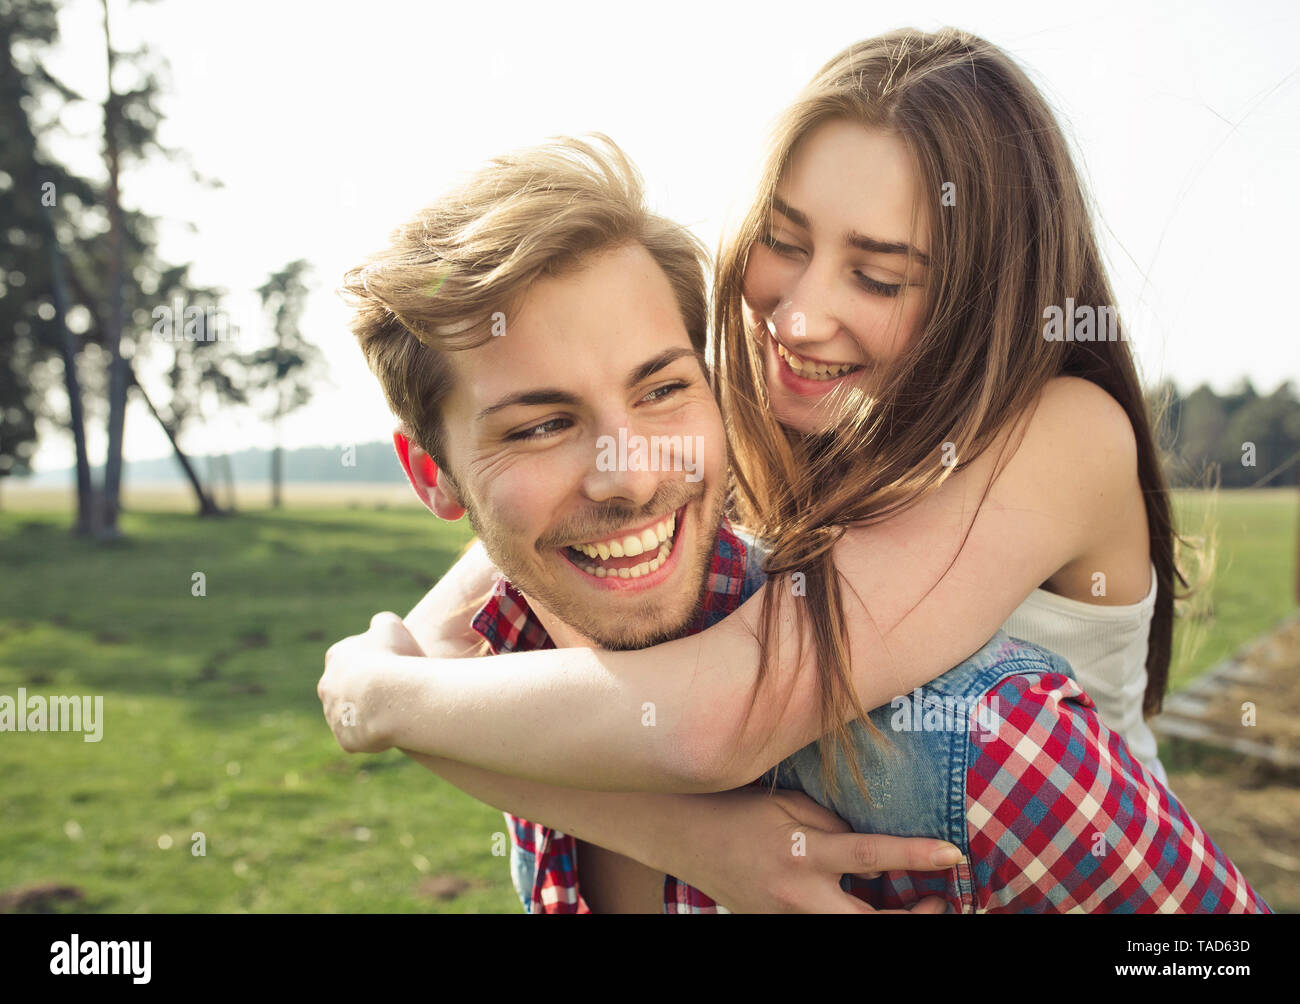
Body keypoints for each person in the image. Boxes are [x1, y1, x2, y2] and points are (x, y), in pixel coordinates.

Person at [321, 127, 1268, 913]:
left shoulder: (1059, 434)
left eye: (882, 274)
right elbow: (475, 603)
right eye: (785, 242)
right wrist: (693, 840)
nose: (802, 316)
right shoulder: (744, 422)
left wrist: (382, 700)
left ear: (986, 294)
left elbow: (717, 722)